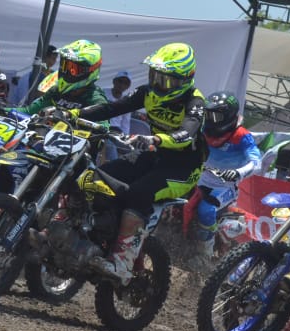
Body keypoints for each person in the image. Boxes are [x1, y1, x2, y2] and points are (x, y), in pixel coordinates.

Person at [76, 43, 205, 281]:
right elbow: (112, 107)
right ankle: (92, 234)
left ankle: (121, 263)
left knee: (138, 193)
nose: (157, 84)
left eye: (164, 79)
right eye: (155, 76)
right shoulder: (147, 93)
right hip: (154, 156)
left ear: (184, 80)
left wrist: (156, 138)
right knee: (96, 175)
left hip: (184, 168)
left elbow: (187, 133)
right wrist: (74, 114)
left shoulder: (194, 102)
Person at [189, 91, 263, 260]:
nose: (210, 120)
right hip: (198, 178)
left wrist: (238, 172)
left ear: (228, 117)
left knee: (206, 209)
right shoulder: (202, 128)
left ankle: (204, 256)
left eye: (215, 116)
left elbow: (256, 162)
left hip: (225, 186)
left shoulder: (242, 136)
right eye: (208, 114)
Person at [16, 39, 109, 116]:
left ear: (90, 70)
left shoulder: (95, 99)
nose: (67, 72)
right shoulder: (57, 91)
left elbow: (103, 127)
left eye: (73, 69)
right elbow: (28, 111)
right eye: (64, 65)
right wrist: (7, 110)